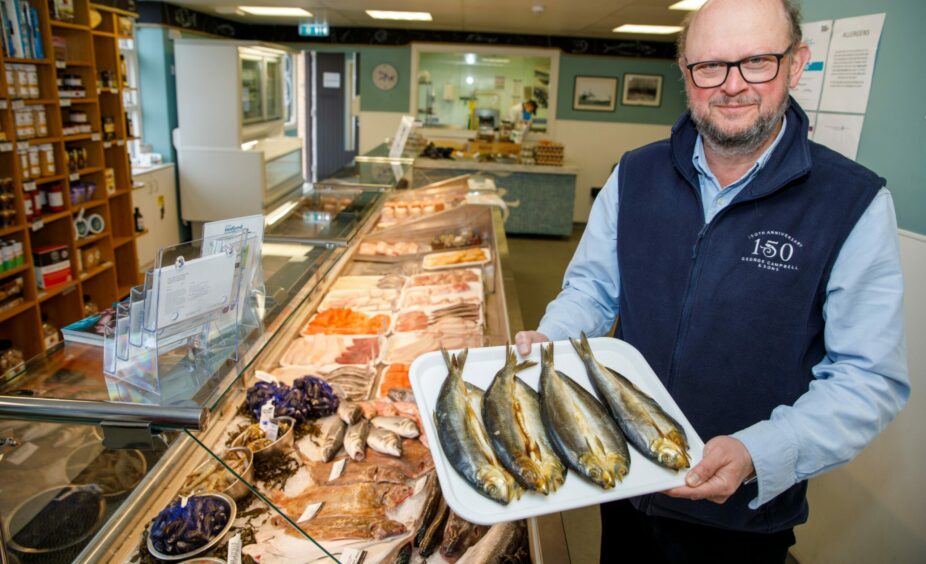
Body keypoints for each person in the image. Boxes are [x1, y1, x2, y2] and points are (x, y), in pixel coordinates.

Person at [514, 0, 909, 561]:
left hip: (743, 517)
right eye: (710, 66)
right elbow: (593, 291)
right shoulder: (636, 172)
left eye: (757, 62)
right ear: (685, 72)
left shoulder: (852, 202)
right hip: (624, 479)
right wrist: (553, 338)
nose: (731, 85)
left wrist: (759, 452)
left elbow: (868, 377)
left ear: (796, 65)